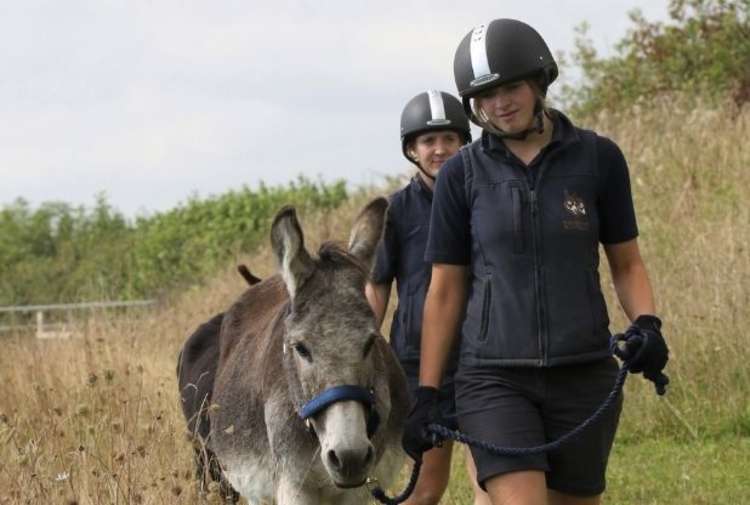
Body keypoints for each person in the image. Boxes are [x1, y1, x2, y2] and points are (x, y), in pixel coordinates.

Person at [401, 19, 670, 505]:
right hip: (492, 376)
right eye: (485, 96)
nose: (499, 103)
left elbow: (626, 263)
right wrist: (428, 391)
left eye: (510, 87)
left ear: (539, 80)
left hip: (584, 372)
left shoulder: (599, 159)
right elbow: (445, 288)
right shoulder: (461, 174)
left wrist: (647, 324)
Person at [366, 90, 490, 505]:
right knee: (424, 488)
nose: (440, 150)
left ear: (464, 143)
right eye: (428, 141)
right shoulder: (395, 212)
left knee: (490, 482)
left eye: (449, 140)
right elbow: (377, 286)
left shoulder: (485, 200)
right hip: (419, 368)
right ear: (411, 150)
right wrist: (361, 358)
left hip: (483, 358)